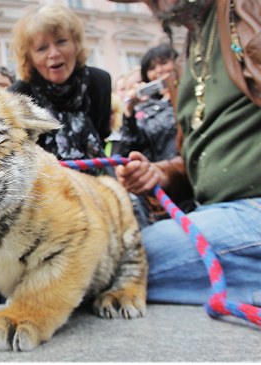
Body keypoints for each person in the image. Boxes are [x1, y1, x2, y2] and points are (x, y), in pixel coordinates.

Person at [108, 0, 261, 306]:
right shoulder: (189, 50)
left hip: (251, 213)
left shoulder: (248, 10)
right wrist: (161, 174)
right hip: (215, 215)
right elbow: (198, 163)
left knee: (116, 264)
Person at [8, 3, 112, 174]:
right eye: (42, 48)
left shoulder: (100, 82)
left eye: (61, 41)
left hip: (96, 181)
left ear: (76, 44)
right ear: (30, 57)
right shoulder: (17, 96)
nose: (54, 53)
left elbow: (102, 134)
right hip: (44, 188)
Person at [115, 44, 179, 163]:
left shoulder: (191, 95)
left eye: (164, 63)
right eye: (152, 68)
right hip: (163, 173)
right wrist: (129, 112)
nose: (159, 70)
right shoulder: (146, 110)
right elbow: (132, 146)